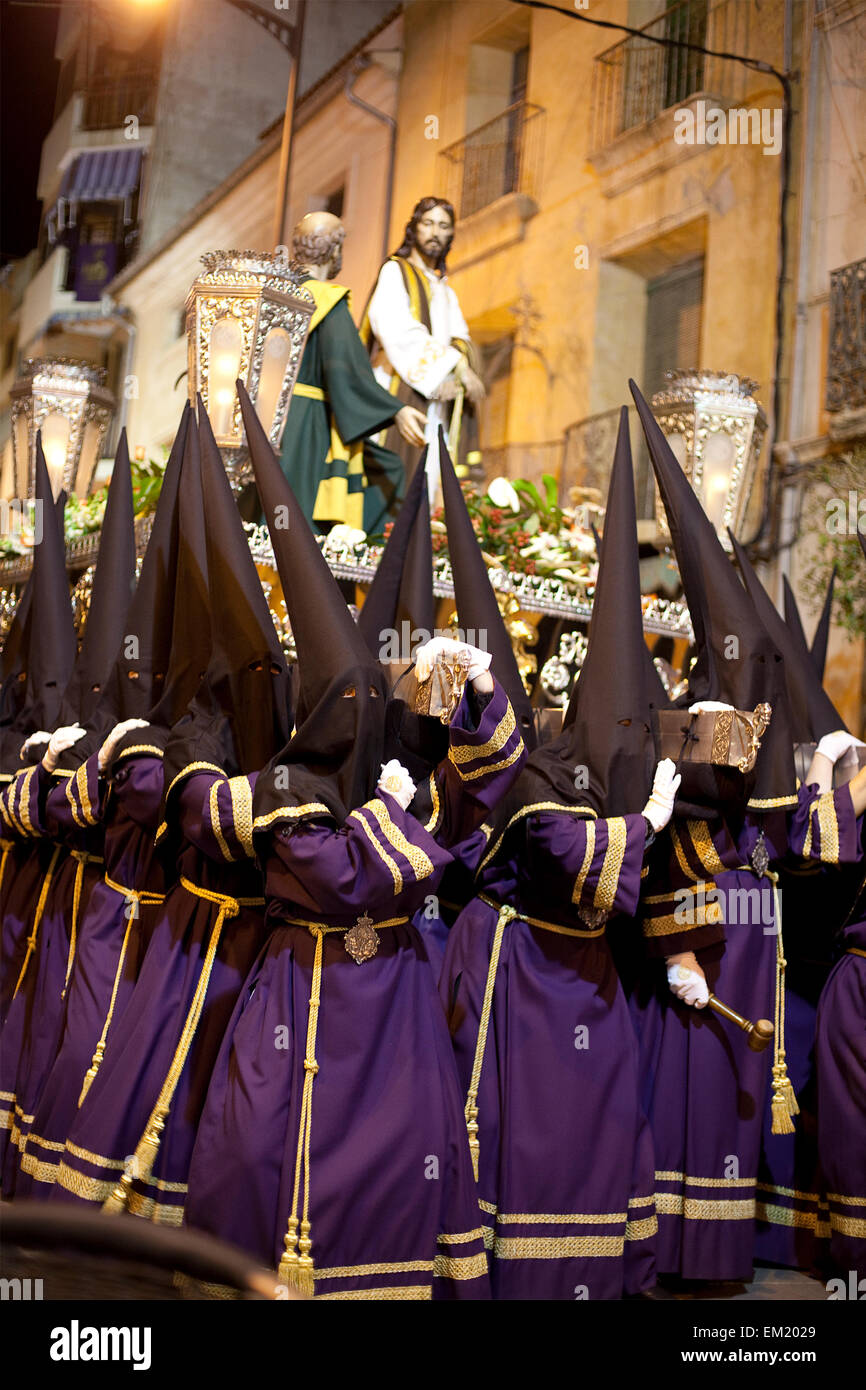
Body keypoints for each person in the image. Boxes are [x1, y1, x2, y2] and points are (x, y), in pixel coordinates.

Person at [183, 386, 526, 1300]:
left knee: (405, 1147)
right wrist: (393, 817)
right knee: (270, 1146)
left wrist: (477, 698)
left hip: (396, 994)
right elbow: (340, 883)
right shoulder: (289, 792)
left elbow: (481, 801)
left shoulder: (396, 778)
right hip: (310, 984)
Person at [627, 380, 864, 1284]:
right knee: (689, 1090)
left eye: (732, 456)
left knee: (735, 1098)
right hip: (705, 932)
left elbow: (792, 824)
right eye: (705, 460)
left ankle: (721, 1253)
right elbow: (666, 808)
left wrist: (816, 772)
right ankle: (677, 1251)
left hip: (756, 925)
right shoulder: (676, 706)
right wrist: (681, 940)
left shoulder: (751, 693)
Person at [439, 410, 674, 1299]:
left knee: (598, 1122)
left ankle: (592, 1269)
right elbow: (558, 844)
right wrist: (644, 822)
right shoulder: (542, 773)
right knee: (523, 1129)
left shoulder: (593, 775)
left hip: (587, 977)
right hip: (521, 970)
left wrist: (648, 810)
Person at [16, 412, 192, 1195]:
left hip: (122, 919)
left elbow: (130, 793)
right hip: (51, 905)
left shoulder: (149, 744)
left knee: (82, 1050)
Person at [267, 211, 426, 534]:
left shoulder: (273, 297)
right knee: (385, 474)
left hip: (265, 418)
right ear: (335, 250)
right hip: (307, 425)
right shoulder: (328, 299)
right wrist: (395, 410)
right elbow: (347, 369)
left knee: (268, 512)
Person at [361, 197, 485, 498]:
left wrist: (459, 372)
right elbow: (394, 326)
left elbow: (461, 338)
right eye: (428, 223)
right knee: (395, 485)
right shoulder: (395, 271)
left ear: (451, 235)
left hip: (438, 399)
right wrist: (445, 371)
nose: (435, 232)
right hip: (398, 391)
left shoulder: (444, 289)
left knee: (430, 483)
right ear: (413, 228)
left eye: (443, 226)